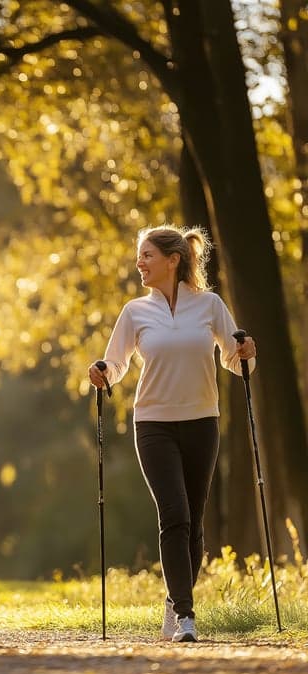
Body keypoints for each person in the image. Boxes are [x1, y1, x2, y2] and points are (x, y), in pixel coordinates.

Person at [88, 225, 256, 643]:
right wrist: (102, 375)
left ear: (173, 259)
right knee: (175, 515)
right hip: (153, 424)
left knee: (194, 522)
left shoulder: (210, 305)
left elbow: (236, 363)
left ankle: (173, 599)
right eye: (139, 256)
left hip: (202, 421)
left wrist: (247, 354)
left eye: (147, 255)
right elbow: (117, 363)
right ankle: (185, 615)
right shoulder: (135, 312)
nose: (139, 263)